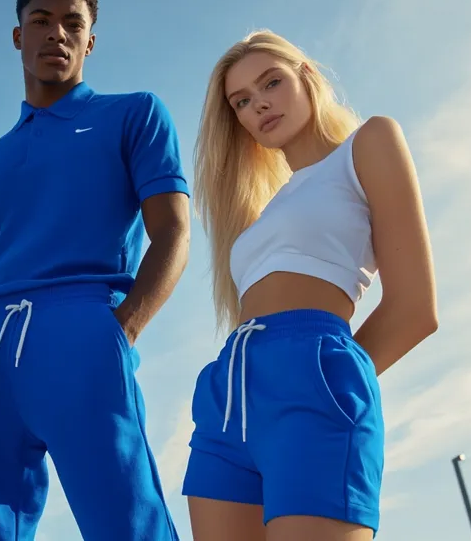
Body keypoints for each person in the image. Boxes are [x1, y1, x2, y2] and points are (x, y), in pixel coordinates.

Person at [0, 0, 190, 540]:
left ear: (90, 41)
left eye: (74, 25)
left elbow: (172, 232)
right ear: (18, 35)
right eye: (40, 21)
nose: (56, 35)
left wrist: (121, 331)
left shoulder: (133, 114)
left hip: (82, 334)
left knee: (127, 527)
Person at [182, 29, 438, 540]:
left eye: (271, 82)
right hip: (227, 396)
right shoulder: (262, 214)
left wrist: (326, 376)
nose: (259, 105)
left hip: (314, 381)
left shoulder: (367, 145)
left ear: (308, 76)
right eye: (242, 102)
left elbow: (415, 310)